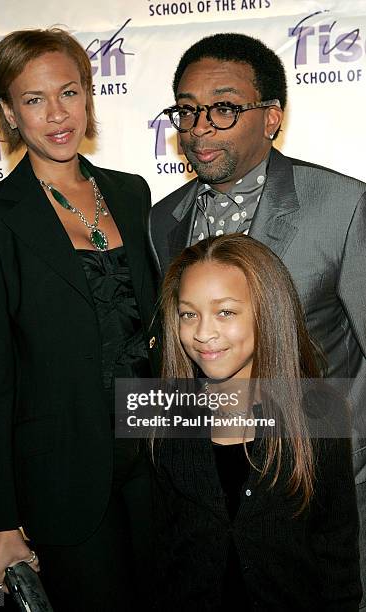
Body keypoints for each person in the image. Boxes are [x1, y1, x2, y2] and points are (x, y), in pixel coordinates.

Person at [148, 32, 366, 607]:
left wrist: (341, 456)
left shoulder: (341, 206)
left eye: (223, 107)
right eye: (188, 109)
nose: (199, 127)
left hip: (314, 496)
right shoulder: (162, 219)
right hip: (208, 505)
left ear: (271, 118)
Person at [0, 28, 160, 611]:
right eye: (33, 100)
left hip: (156, 462)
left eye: (68, 92)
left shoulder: (132, 193)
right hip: (62, 475)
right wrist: (1, 519)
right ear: (9, 112)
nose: (56, 114)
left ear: (89, 95)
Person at [153, 233, 362, 611]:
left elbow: (337, 556)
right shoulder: (164, 418)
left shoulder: (319, 414)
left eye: (226, 312)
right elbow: (161, 553)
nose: (203, 333)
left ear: (268, 311)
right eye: (189, 314)